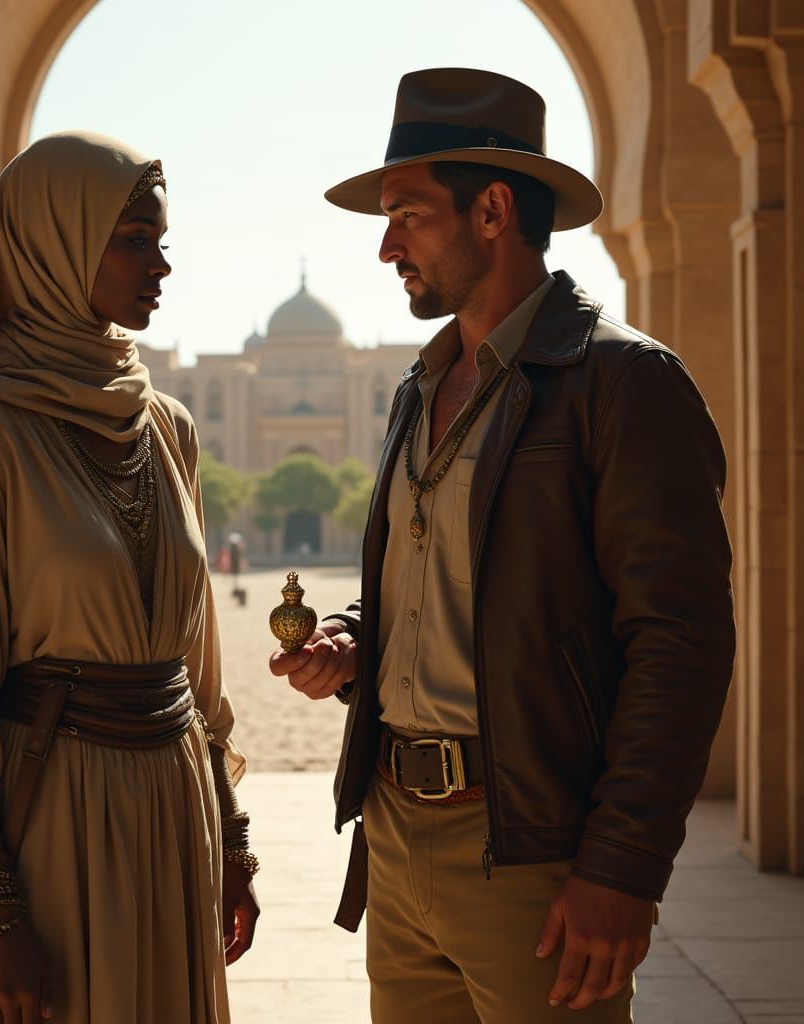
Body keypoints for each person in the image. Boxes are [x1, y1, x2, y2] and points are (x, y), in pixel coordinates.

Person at [269, 68, 734, 1023]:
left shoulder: (619, 382)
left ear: (491, 209)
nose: (387, 245)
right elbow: (426, 578)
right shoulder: (419, 386)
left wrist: (624, 866)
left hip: (533, 848)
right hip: (397, 842)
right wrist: (354, 640)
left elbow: (679, 641)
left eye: (405, 214)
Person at [0, 131, 259, 1024]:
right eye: (134, 239)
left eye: (162, 242)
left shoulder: (166, 426)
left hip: (171, 810)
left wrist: (230, 836)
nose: (160, 265)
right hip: (51, 821)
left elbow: (198, 668)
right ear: (54, 241)